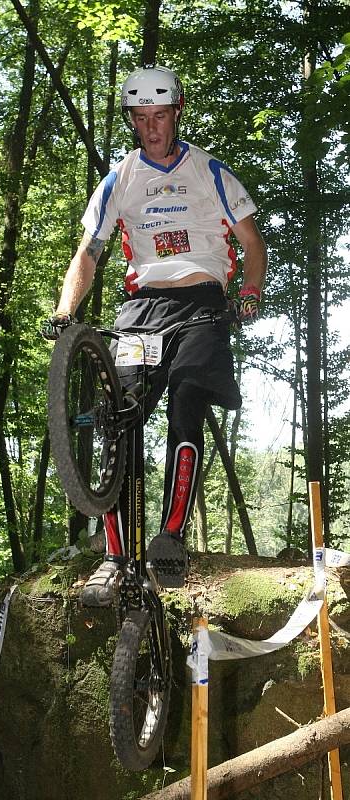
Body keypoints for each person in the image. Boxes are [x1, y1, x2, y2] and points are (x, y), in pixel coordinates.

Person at [50, 65, 267, 606]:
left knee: (188, 395)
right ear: (132, 120)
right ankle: (115, 555)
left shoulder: (211, 172)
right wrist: (64, 310)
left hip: (202, 304)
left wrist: (251, 290)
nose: (151, 128)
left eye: (160, 116)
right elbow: (90, 253)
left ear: (178, 113)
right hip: (142, 308)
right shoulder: (118, 180)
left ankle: (169, 537)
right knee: (116, 416)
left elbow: (253, 243)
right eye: (141, 118)